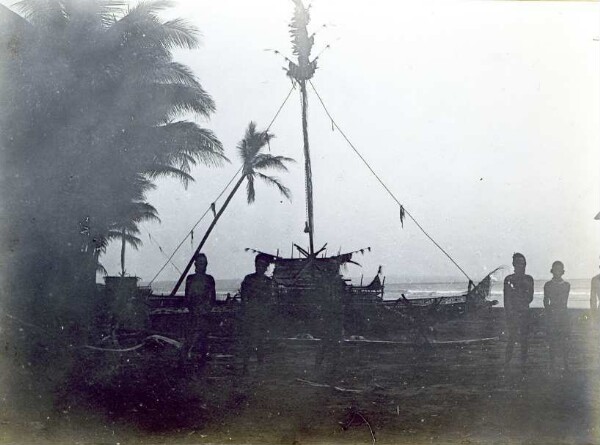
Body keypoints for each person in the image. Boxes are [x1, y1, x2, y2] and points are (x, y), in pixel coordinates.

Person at [240, 253, 274, 373]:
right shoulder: (248, 279)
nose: (260, 267)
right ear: (255, 265)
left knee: (261, 341)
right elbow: (244, 297)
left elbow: (269, 299)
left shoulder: (268, 282)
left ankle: (260, 367)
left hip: (262, 316)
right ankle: (245, 366)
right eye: (258, 264)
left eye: (263, 265)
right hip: (250, 315)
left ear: (266, 267)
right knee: (248, 341)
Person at [183, 253, 216, 364]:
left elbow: (212, 298)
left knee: (204, 338)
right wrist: (193, 309)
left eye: (204, 263)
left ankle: (202, 360)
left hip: (205, 313)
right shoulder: (190, 279)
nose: (202, 265)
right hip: (193, 312)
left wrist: (206, 309)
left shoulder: (209, 279)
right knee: (190, 337)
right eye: (200, 263)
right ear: (195, 264)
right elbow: (187, 297)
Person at [504, 252, 534, 368]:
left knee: (524, 339)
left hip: (525, 312)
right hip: (512, 313)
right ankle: (507, 362)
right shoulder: (509, 279)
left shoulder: (529, 279)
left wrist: (521, 305)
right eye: (518, 263)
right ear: (514, 264)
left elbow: (530, 297)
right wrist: (510, 313)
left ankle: (523, 363)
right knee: (511, 338)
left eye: (523, 263)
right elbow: (507, 299)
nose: (521, 266)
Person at [543, 261, 571, 371]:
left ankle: (565, 363)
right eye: (555, 269)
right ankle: (552, 363)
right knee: (552, 340)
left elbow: (564, 300)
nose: (557, 271)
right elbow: (545, 301)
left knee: (564, 340)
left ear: (562, 271)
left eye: (560, 269)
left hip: (563, 314)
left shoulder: (567, 285)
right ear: (552, 270)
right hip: (552, 315)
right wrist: (549, 312)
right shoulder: (548, 285)